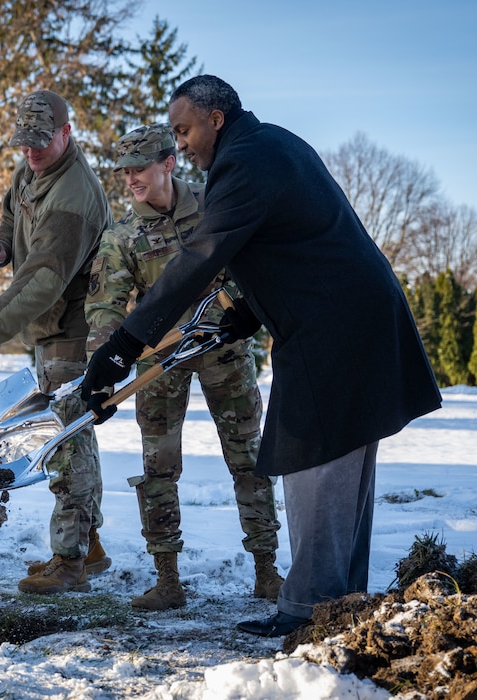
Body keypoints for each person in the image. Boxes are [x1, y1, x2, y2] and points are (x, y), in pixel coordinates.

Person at [82, 75, 442, 636]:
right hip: (342, 314)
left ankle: (308, 610)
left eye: (184, 130)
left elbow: (202, 256)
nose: (181, 145)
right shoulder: (271, 143)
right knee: (342, 467)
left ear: (215, 119)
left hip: (333, 325)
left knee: (313, 456)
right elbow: (286, 241)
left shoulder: (245, 161)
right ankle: (337, 605)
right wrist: (248, 310)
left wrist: (125, 344)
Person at [85, 123, 284, 611]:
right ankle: (167, 579)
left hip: (225, 347)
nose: (130, 180)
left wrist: (246, 309)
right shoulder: (122, 236)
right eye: (124, 172)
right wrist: (103, 367)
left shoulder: (215, 207)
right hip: (160, 359)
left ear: (168, 164)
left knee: (249, 459)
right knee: (158, 468)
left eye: (139, 170)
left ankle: (267, 571)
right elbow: (105, 309)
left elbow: (254, 265)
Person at [0, 89, 113, 594]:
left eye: (42, 143)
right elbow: (13, 220)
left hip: (74, 330)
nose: (31, 154)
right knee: (72, 434)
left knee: (64, 439)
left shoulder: (75, 196)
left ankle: (69, 562)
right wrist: (0, 244)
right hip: (47, 327)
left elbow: (41, 282)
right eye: (25, 144)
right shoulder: (29, 172)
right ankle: (89, 547)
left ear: (67, 133)